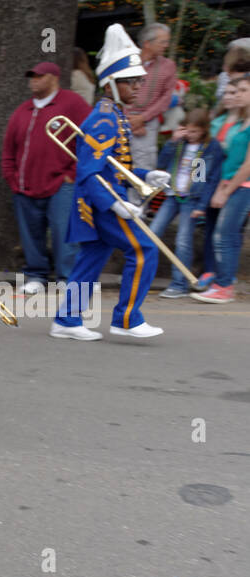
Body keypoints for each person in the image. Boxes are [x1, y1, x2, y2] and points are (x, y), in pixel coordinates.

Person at [52, 24, 170, 340]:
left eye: (138, 81)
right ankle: (127, 319)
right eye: (129, 82)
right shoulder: (104, 119)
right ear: (109, 85)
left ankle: (65, 320)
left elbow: (116, 166)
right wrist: (116, 204)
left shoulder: (115, 115)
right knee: (145, 251)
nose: (137, 87)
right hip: (102, 202)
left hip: (106, 198)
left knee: (91, 260)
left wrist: (147, 176)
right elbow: (89, 172)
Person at [1, 61, 89, 293]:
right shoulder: (23, 110)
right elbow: (9, 147)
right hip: (24, 184)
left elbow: (89, 139)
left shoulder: (72, 102)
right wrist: (11, 176)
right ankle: (36, 276)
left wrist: (72, 174)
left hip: (61, 182)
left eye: (39, 76)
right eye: (32, 76)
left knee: (64, 231)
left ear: (54, 78)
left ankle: (67, 277)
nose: (34, 80)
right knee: (31, 232)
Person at [151, 110, 222, 298]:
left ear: (204, 130)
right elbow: (162, 163)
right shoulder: (180, 143)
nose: (190, 135)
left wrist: (201, 206)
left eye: (194, 132)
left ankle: (179, 284)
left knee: (183, 240)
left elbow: (209, 179)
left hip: (192, 199)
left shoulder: (210, 147)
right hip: (172, 194)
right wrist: (173, 141)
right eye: (187, 131)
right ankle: (142, 275)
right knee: (153, 232)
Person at [191, 75, 250, 304]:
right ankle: (224, 282)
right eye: (235, 91)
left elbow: (247, 165)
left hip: (242, 186)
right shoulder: (236, 122)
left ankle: (223, 285)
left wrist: (226, 189)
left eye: (243, 90)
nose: (237, 95)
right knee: (228, 235)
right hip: (228, 182)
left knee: (224, 234)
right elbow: (216, 156)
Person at [127, 23, 176, 170]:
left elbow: (166, 98)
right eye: (163, 42)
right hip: (121, 119)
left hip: (148, 124)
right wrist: (129, 118)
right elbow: (114, 90)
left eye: (167, 41)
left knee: (144, 169)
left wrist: (143, 118)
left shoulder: (168, 65)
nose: (166, 45)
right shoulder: (127, 61)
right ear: (147, 43)